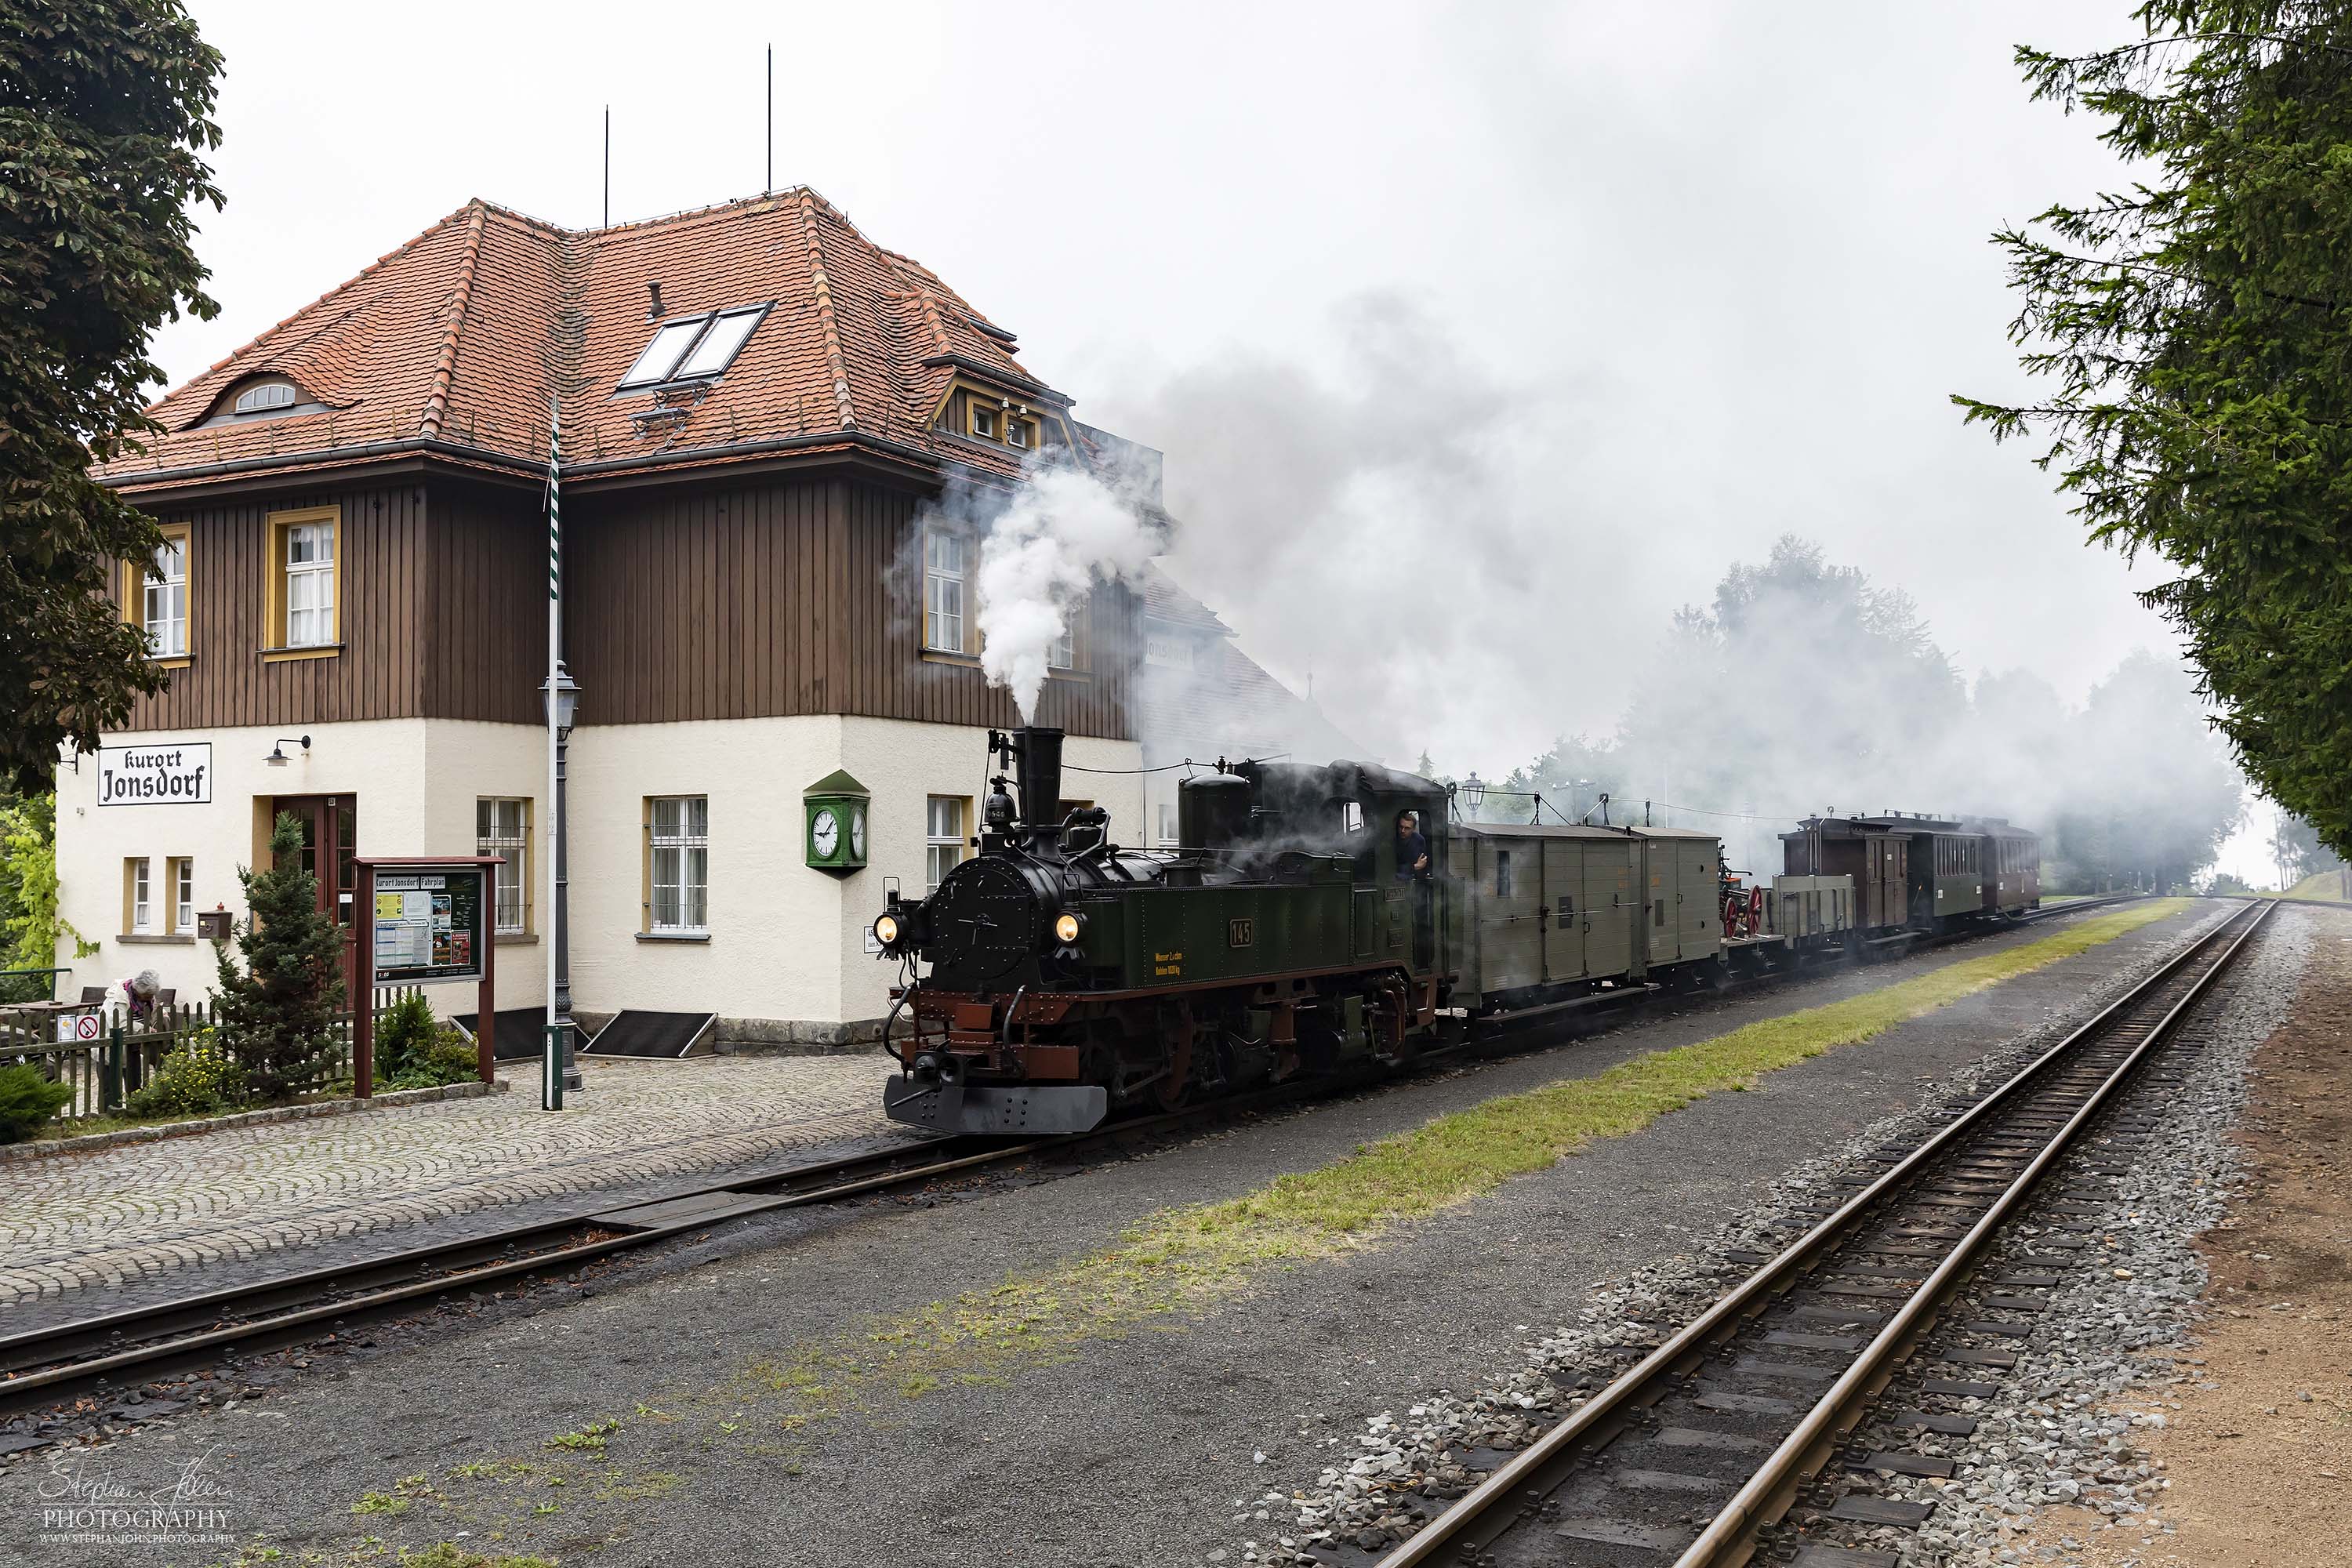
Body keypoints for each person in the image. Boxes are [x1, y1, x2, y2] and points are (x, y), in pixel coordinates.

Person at [1395, 811, 1430, 880]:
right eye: (1401, 827)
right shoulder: (1392, 841)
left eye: (1407, 828)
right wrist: (1414, 867)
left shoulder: (1419, 840)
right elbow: (1390, 869)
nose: (1403, 831)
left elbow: (1422, 866)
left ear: (1413, 829)